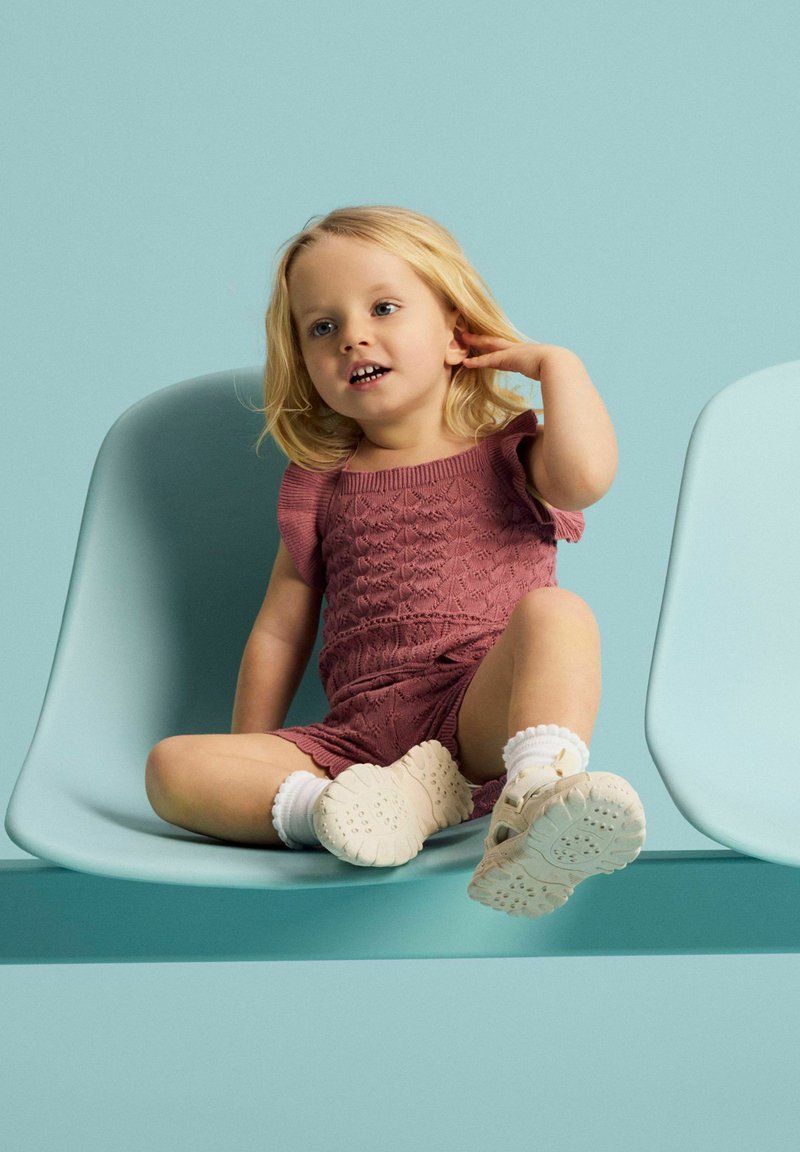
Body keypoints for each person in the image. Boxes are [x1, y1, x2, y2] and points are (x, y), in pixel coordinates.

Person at [145, 205, 646, 919]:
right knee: (171, 769)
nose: (354, 336)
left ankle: (533, 808)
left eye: (383, 307)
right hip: (354, 743)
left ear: (455, 330)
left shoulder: (509, 456)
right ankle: (352, 813)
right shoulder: (321, 482)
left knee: (558, 614)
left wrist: (556, 365)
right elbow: (279, 632)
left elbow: (587, 477)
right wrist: (251, 759)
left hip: (473, 712)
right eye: (323, 327)